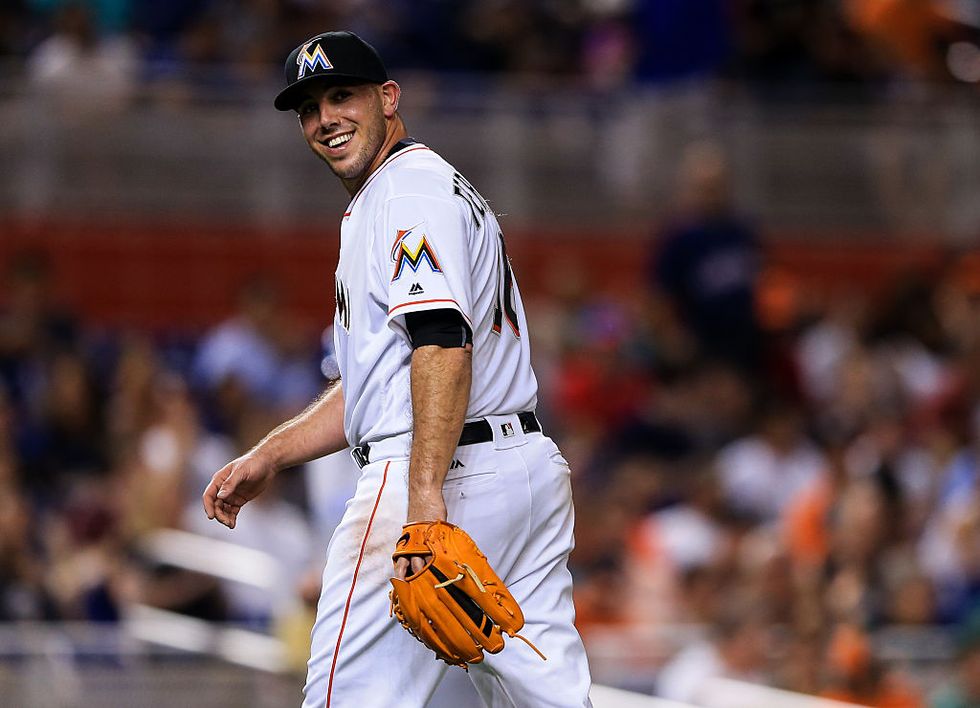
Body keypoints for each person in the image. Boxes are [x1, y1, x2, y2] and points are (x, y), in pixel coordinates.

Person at [202, 30, 593, 707]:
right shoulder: (425, 186)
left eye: (342, 96)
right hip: (520, 471)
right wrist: (273, 453)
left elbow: (441, 342)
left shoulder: (405, 191)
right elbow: (379, 381)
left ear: (388, 97)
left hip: (439, 472)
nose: (325, 119)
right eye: (309, 108)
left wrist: (425, 504)